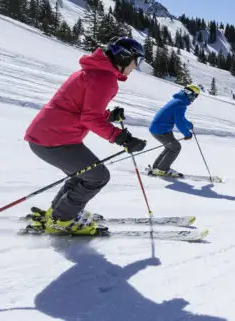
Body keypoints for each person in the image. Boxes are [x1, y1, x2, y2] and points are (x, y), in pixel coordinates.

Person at [24, 37, 148, 235]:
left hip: (52, 135)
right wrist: (122, 138)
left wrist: (108, 116)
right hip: (53, 139)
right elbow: (90, 119)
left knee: (84, 174)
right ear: (124, 57)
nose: (136, 67)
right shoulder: (104, 79)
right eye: (137, 61)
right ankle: (62, 220)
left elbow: (84, 109)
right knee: (97, 176)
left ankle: (58, 213)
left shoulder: (96, 72)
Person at [147, 85, 200, 178]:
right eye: (194, 96)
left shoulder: (178, 101)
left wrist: (189, 125)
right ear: (189, 94)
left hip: (159, 128)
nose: (193, 100)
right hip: (161, 130)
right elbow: (179, 122)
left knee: (170, 147)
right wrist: (187, 134)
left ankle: (157, 167)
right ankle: (162, 170)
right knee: (175, 147)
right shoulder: (180, 104)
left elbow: (180, 118)